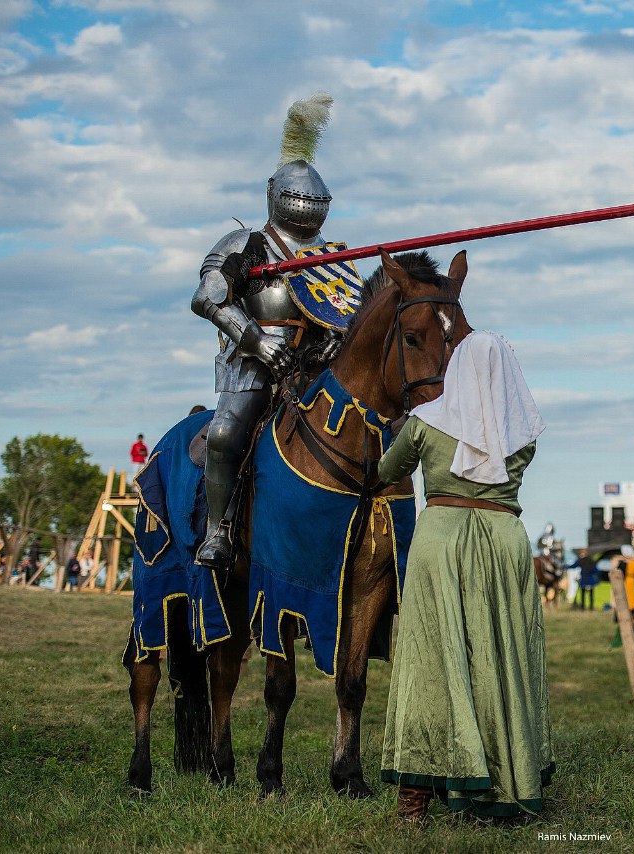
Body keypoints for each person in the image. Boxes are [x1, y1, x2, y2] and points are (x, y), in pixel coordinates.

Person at [377, 331, 552, 823]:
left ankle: (415, 796)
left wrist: (395, 430)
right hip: (504, 542)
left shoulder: (424, 425)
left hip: (441, 542)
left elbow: (388, 470)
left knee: (428, 660)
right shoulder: (524, 432)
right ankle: (504, 779)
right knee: (502, 654)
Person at [192, 94, 350, 569]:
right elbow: (208, 299)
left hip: (315, 365)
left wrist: (339, 339)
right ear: (274, 195)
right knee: (223, 433)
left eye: (312, 203)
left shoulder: (330, 254)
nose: (305, 211)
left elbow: (346, 309)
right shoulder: (247, 245)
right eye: (298, 201)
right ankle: (218, 531)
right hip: (254, 363)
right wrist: (258, 341)